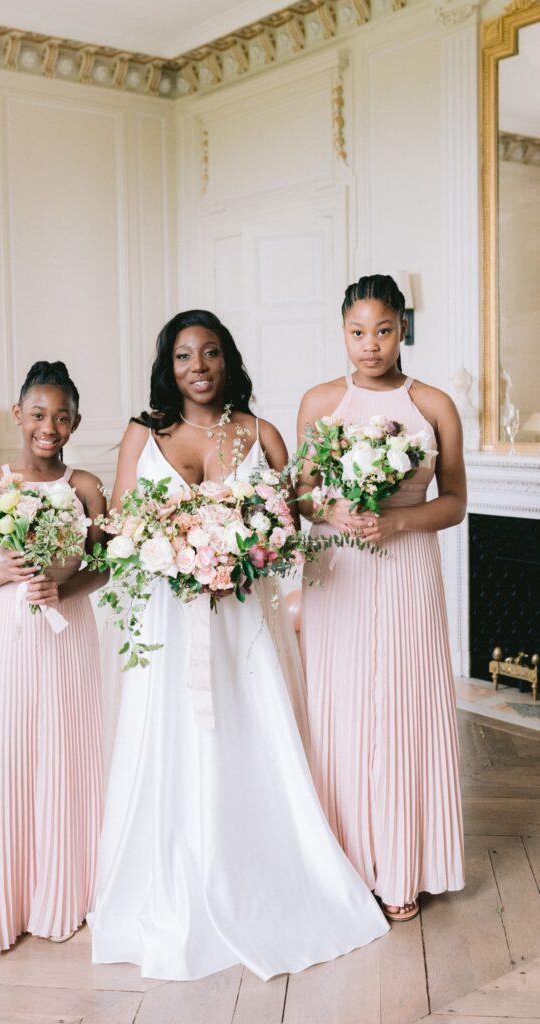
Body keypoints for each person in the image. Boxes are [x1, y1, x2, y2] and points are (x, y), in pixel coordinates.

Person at [88, 310, 389, 982]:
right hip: (168, 623)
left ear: (228, 360)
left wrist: (266, 537)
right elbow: (123, 526)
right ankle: (172, 882)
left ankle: (264, 876)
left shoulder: (260, 433)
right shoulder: (144, 433)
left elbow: (296, 515)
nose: (197, 367)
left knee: (252, 730)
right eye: (183, 356)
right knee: (170, 737)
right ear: (167, 367)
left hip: (243, 620)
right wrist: (174, 547)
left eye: (210, 353)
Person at [296, 274, 466, 923]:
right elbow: (302, 493)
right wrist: (332, 511)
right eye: (357, 332)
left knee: (402, 704)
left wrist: (397, 520)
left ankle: (401, 866)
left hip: (407, 565)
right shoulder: (320, 401)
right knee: (338, 707)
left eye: (383, 331)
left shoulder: (434, 405)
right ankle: (340, 865)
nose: (370, 345)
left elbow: (455, 502)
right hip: (338, 567)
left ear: (403, 329)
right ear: (343, 332)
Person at [0, 361, 106, 953]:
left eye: (62, 418)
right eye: (39, 415)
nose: (49, 427)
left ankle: (64, 892)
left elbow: (105, 566)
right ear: (18, 415)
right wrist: (7, 572)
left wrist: (62, 590)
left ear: (75, 423)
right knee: (9, 753)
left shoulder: (86, 486)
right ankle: (5, 897)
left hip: (68, 631)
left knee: (66, 749)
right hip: (9, 635)